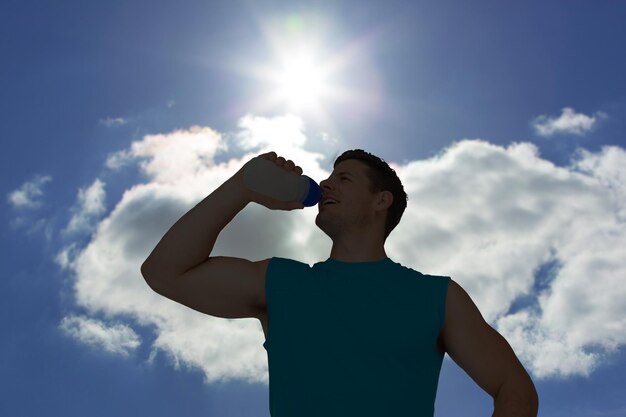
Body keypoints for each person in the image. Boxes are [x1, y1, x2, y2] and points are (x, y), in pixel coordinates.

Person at [141, 149, 539, 417]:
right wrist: (242, 186)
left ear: (381, 201)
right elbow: (164, 272)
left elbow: (513, 387)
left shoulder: (436, 297)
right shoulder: (281, 283)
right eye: (329, 177)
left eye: (344, 179)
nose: (327, 184)